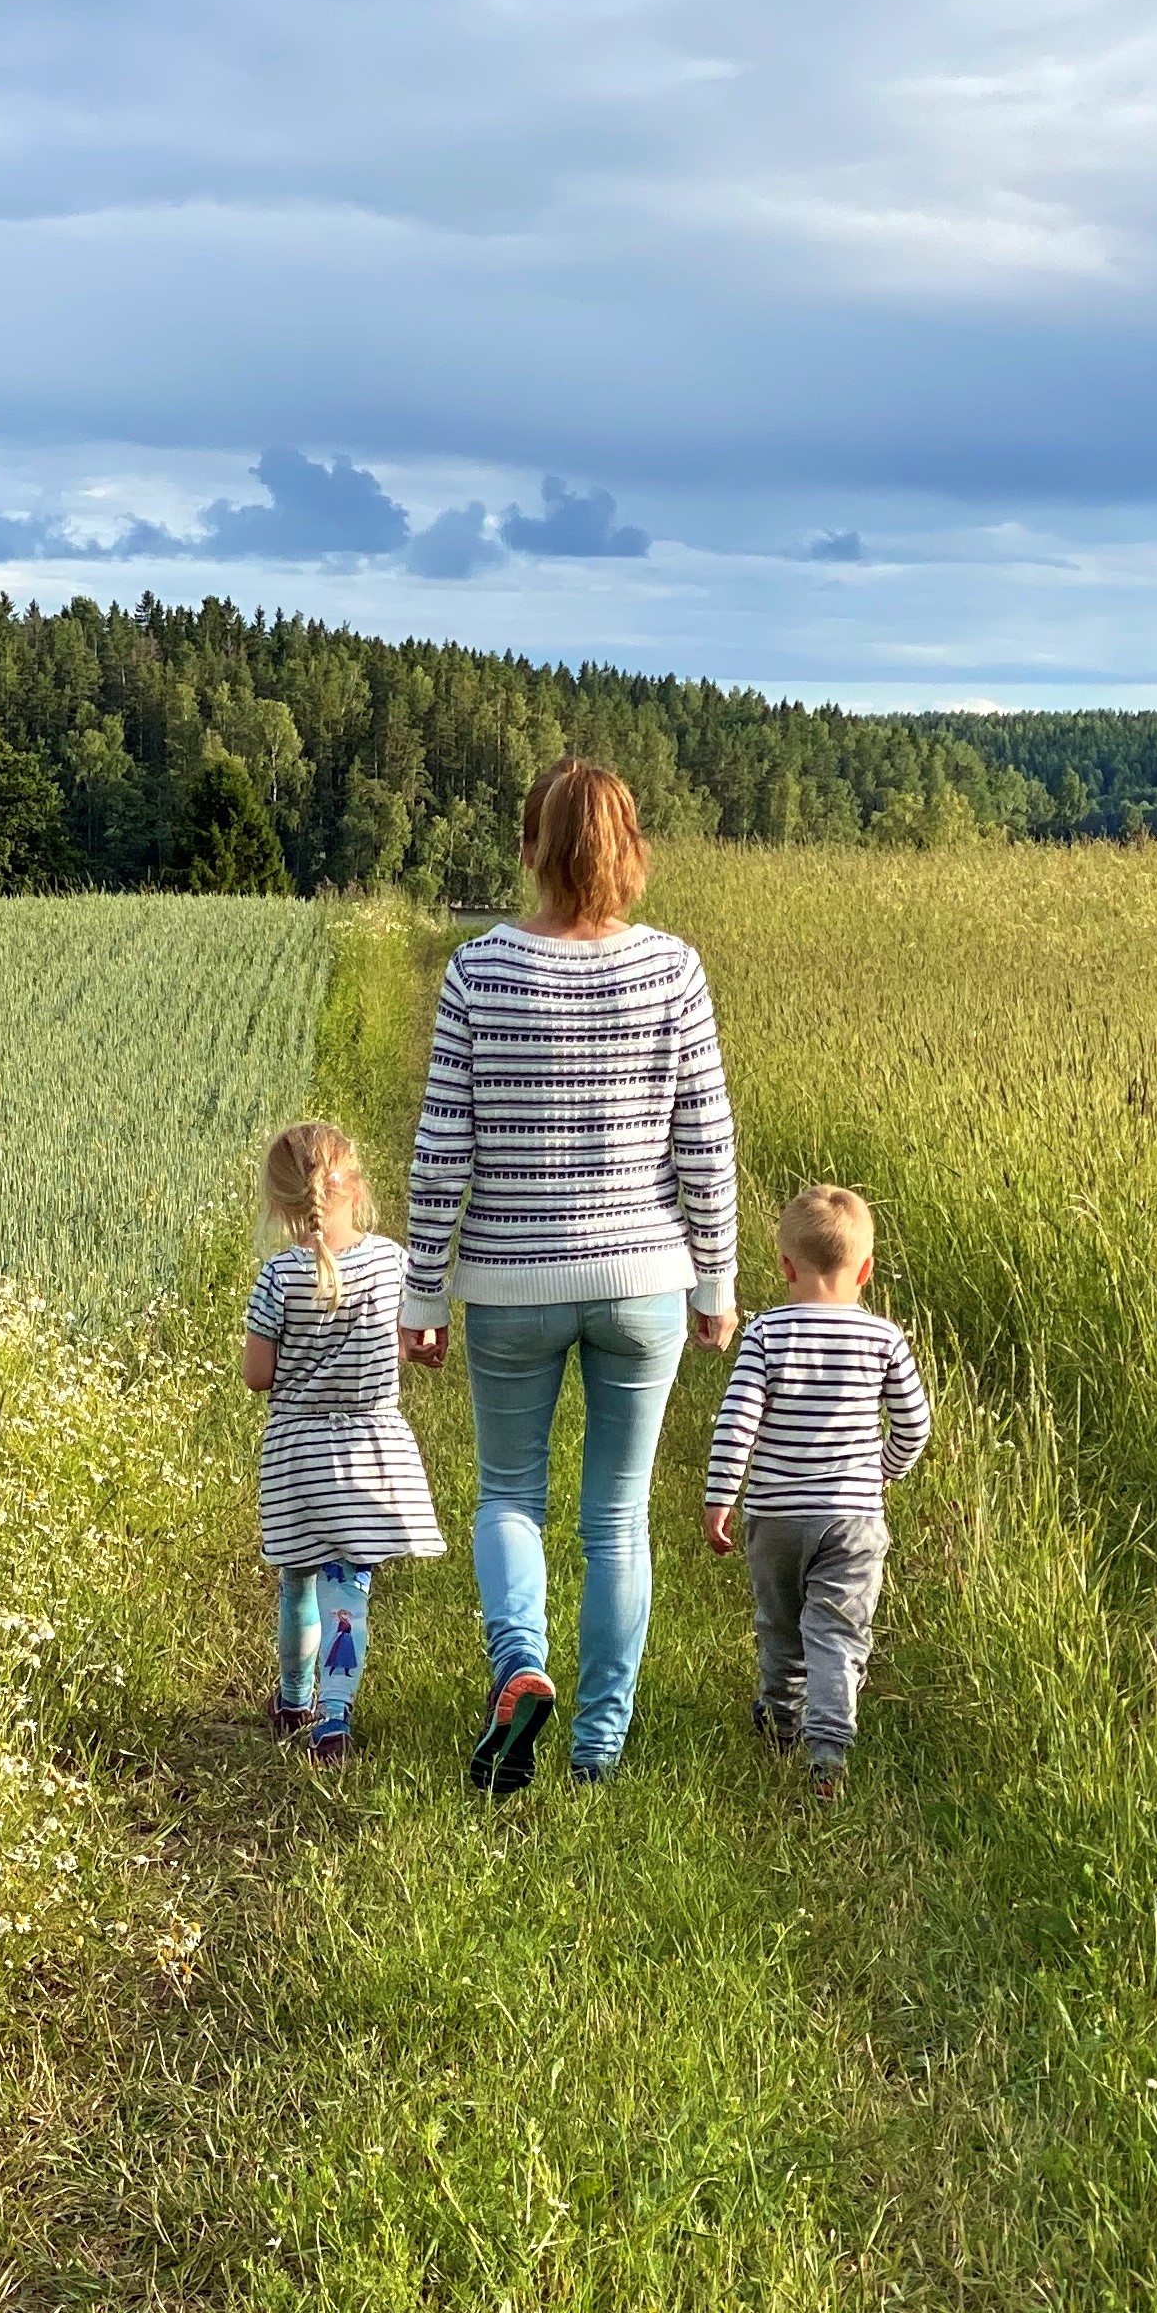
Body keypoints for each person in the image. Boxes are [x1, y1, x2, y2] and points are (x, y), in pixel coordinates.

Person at [399, 760, 736, 1793]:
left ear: (527, 849)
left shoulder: (478, 971)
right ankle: (597, 1749)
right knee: (616, 1518)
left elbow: (441, 1147)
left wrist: (422, 1292)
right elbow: (705, 1142)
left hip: (509, 1282)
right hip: (643, 1281)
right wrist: (715, 1282)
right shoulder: (672, 969)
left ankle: (521, 1667)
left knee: (509, 1495)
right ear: (632, 854)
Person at [701, 1184, 932, 1795]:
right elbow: (914, 1422)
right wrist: (887, 1468)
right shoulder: (885, 1339)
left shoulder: (766, 1336)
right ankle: (827, 1748)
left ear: (784, 1267)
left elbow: (737, 1422)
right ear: (867, 1270)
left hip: (775, 1514)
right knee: (835, 1633)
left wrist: (720, 1496)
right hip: (853, 1518)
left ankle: (779, 1721)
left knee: (780, 1625)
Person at [244, 1121, 443, 1765]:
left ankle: (293, 1697)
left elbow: (258, 1374)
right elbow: (420, 1340)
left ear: (282, 1203)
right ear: (354, 1187)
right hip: (369, 1452)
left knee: (298, 1580)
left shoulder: (279, 1276)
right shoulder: (392, 1262)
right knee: (346, 1589)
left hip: (296, 1455)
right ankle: (333, 1718)